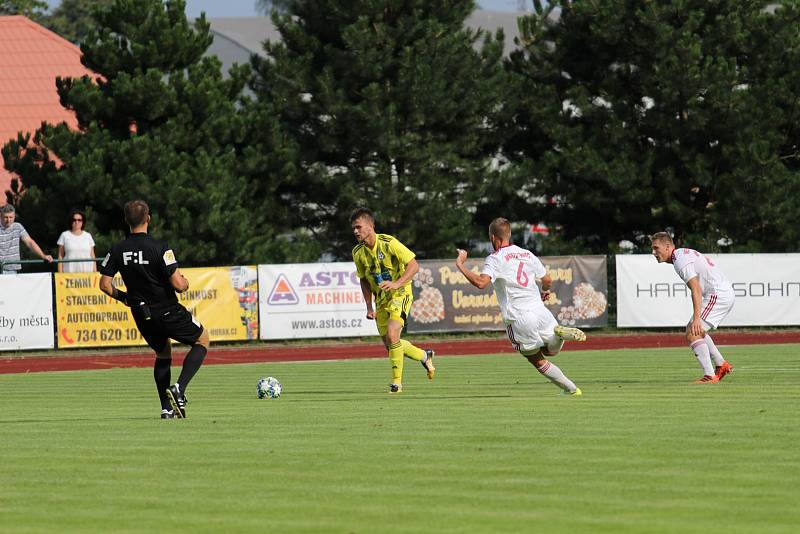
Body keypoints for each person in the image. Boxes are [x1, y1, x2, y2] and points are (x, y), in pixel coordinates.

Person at [99, 200, 210, 419]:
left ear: (126, 221)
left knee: (162, 354)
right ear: (148, 219)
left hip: (142, 315)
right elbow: (179, 285)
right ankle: (179, 388)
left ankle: (166, 409)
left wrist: (125, 298)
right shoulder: (161, 247)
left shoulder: (117, 249)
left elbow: (104, 284)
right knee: (202, 340)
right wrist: (186, 283)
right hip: (167, 310)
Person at [455, 218, 586, 396]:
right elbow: (547, 280)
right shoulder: (527, 254)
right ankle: (559, 335)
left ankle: (571, 389)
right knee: (550, 351)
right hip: (541, 311)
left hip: (518, 316)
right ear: (509, 234)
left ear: (493, 237)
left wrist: (460, 265)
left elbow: (480, 283)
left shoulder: (495, 258)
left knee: (537, 359)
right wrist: (545, 291)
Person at [350, 207, 435, 393]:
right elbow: (363, 279)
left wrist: (397, 284)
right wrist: (368, 306)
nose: (355, 231)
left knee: (393, 333)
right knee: (391, 346)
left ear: (371, 225)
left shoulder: (389, 243)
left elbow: (414, 265)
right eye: (353, 228)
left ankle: (397, 383)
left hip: (400, 294)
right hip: (381, 300)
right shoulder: (357, 253)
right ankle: (424, 355)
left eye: (359, 227)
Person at [651, 232, 734, 383]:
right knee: (694, 331)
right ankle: (721, 365)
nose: (653, 253)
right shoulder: (681, 255)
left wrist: (697, 318)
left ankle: (710, 376)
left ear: (668, 246)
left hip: (718, 294)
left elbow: (696, 289)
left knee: (693, 331)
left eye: (656, 248)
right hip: (721, 293)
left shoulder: (680, 260)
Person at [0, 204, 53, 274]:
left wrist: (43, 256)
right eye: (6, 217)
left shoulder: (18, 227)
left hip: (12, 269)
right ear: (0, 216)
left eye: (11, 217)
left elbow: (30, 242)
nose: (8, 220)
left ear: (14, 216)